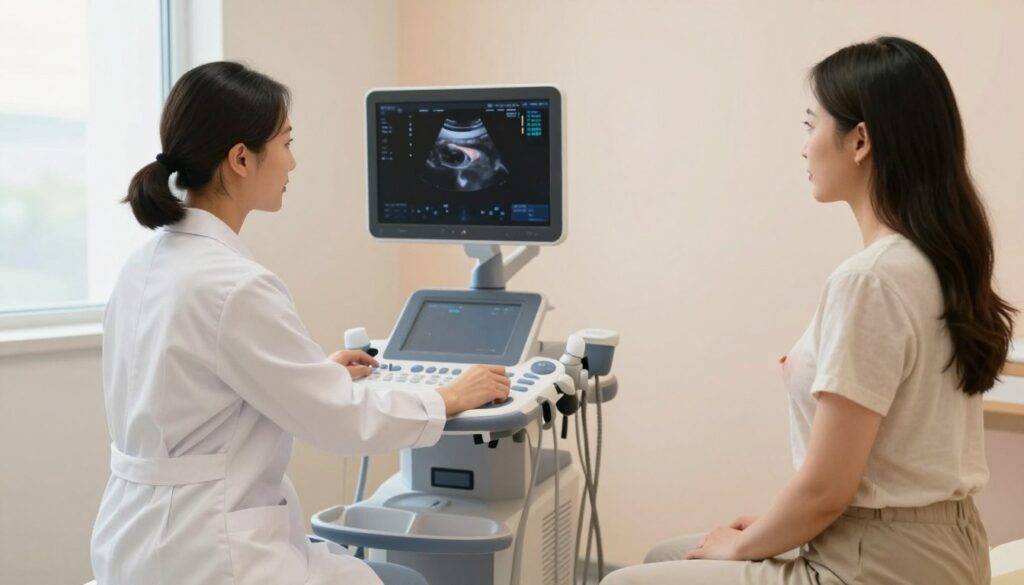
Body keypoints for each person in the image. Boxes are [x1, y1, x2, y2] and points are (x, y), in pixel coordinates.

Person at [602, 36, 1015, 585]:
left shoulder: (870, 279)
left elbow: (825, 491)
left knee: (620, 582)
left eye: (810, 124)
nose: (804, 147)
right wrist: (771, 528)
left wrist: (748, 544)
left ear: (860, 140)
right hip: (942, 543)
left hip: (875, 559)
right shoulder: (939, 260)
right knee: (666, 556)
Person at [89, 61, 511, 585]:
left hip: (131, 544)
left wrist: (316, 373)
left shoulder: (144, 264)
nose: (293, 161)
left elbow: (196, 394)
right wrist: (445, 398)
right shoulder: (236, 285)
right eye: (286, 143)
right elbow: (336, 421)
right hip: (213, 555)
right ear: (242, 159)